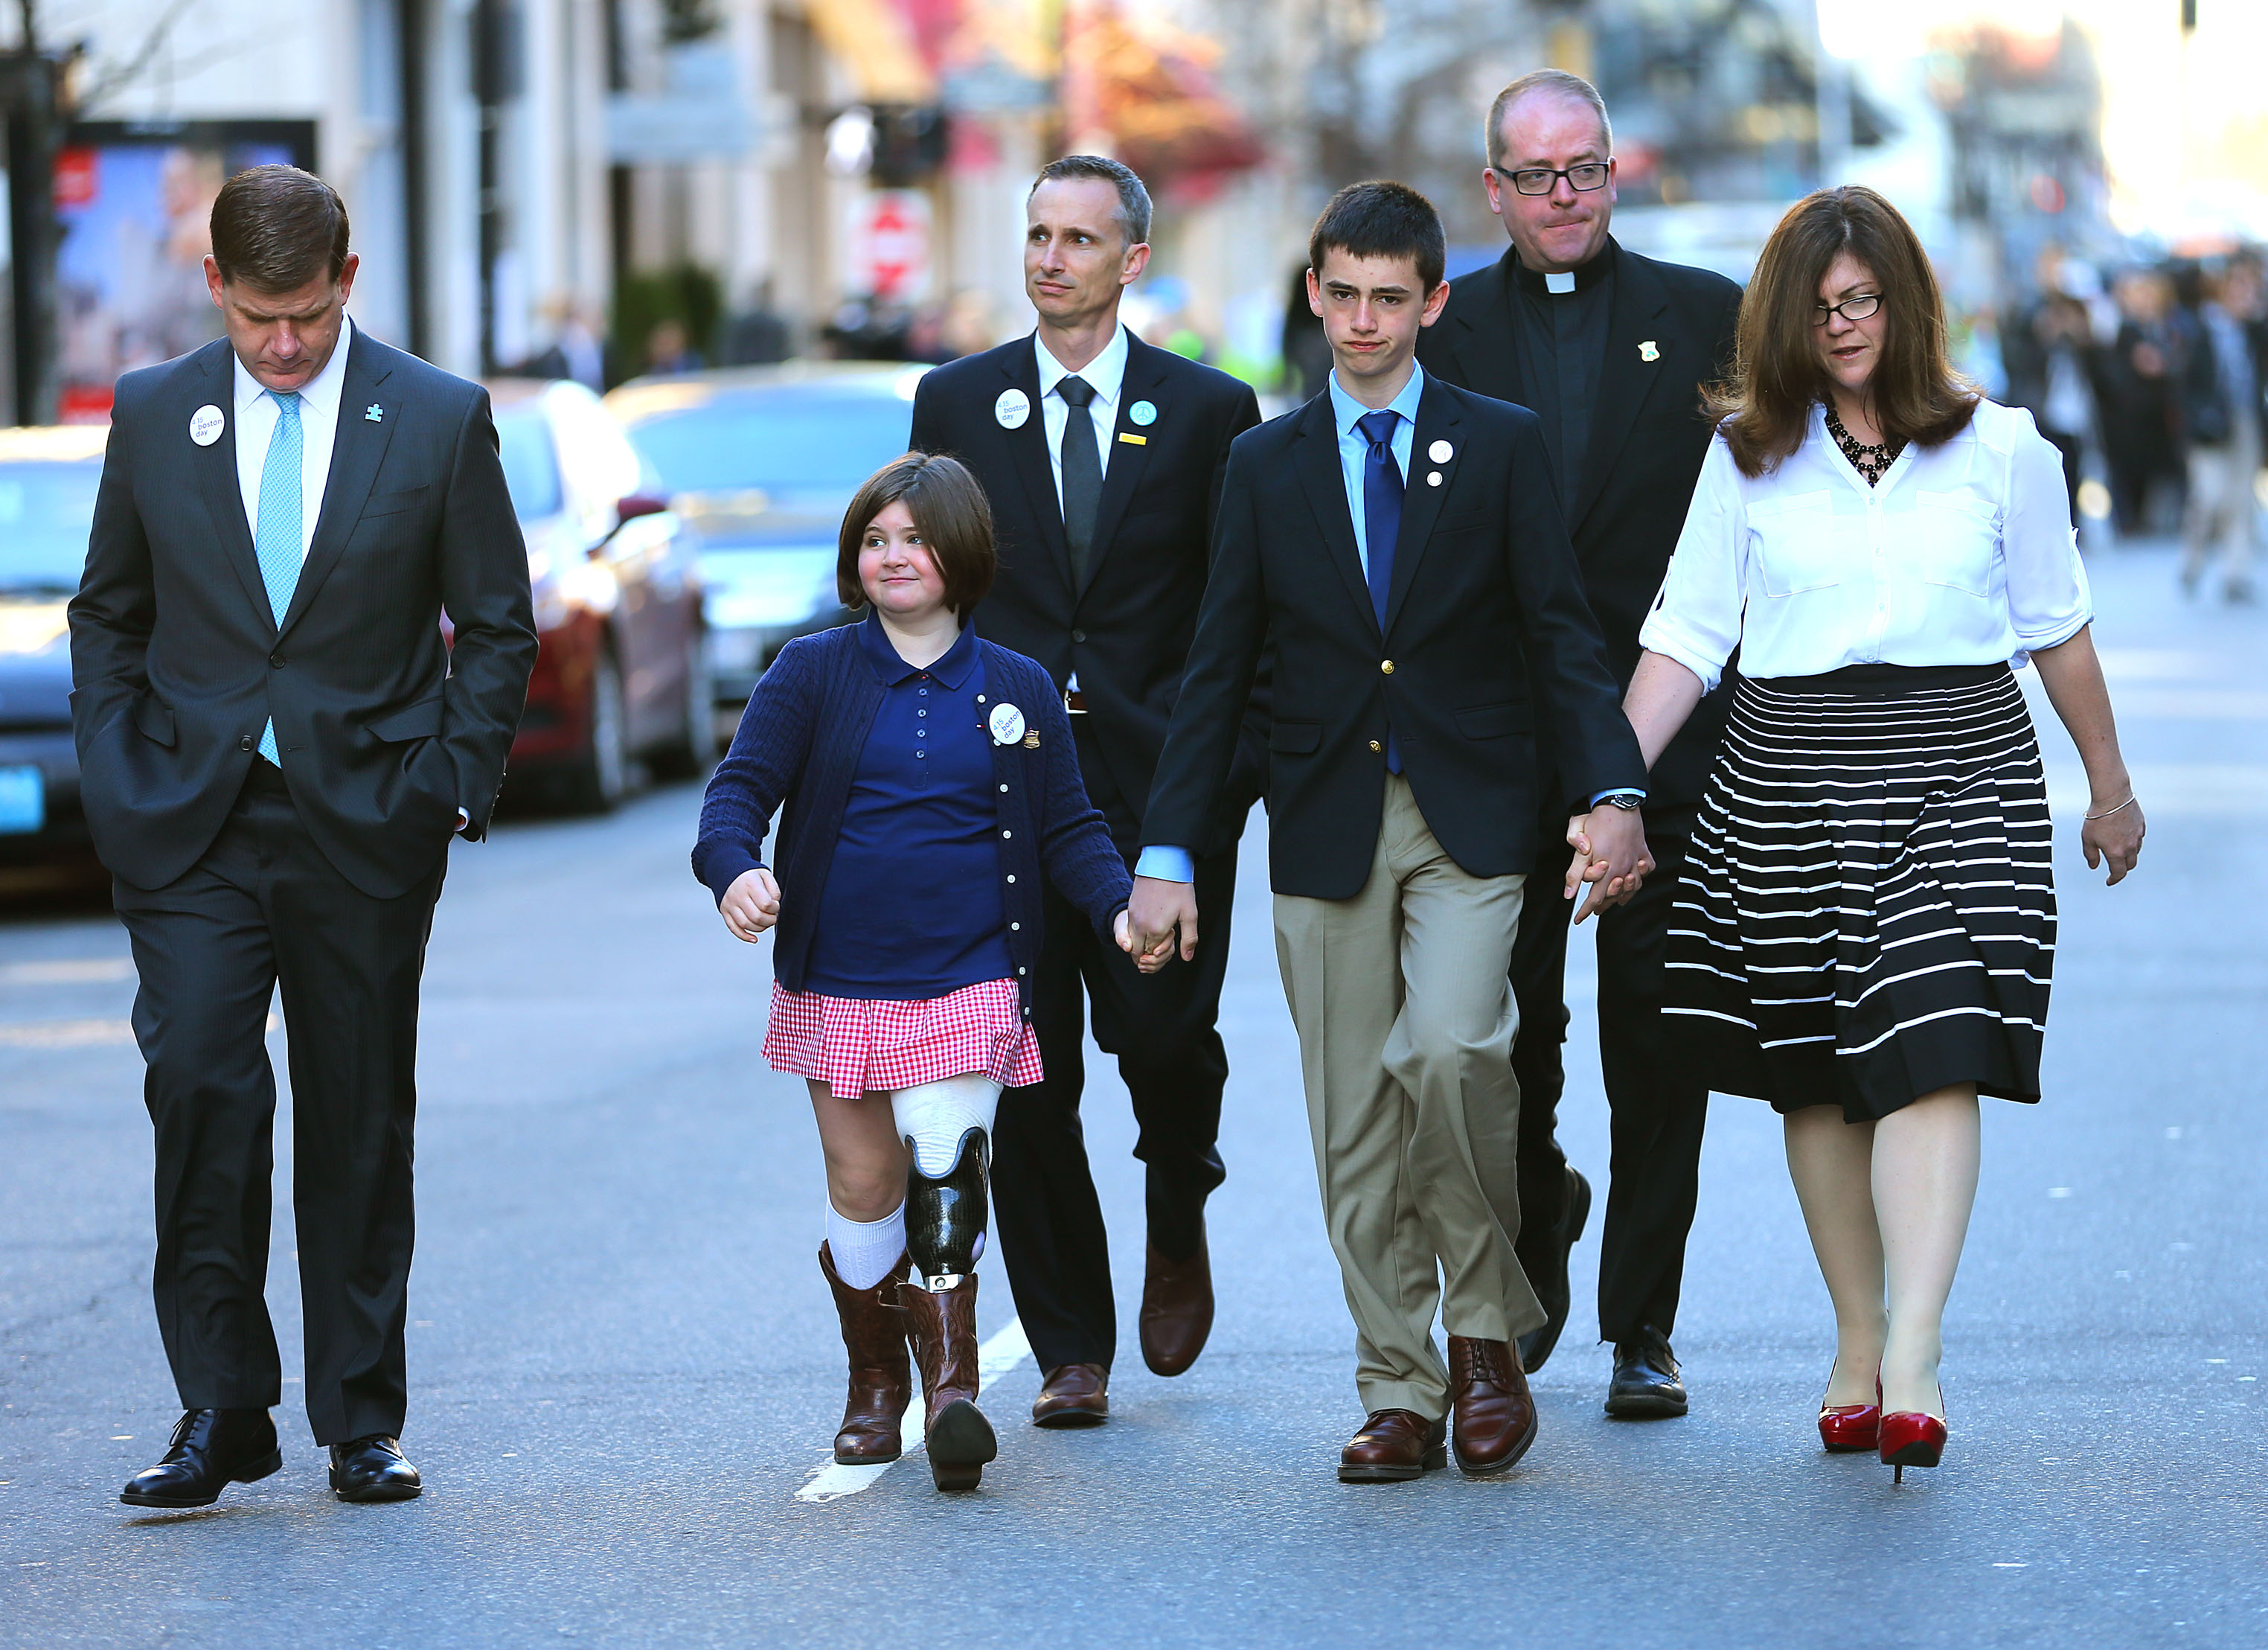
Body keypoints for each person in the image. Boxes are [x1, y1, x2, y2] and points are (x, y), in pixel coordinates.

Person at [1130, 181, 1652, 1483]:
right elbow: (1218, 666)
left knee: (1459, 1048)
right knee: (1350, 1112)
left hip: (1472, 810)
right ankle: (1400, 1386)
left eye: (1388, 299)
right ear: (1313, 293)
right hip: (1322, 816)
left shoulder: (1499, 442)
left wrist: (1611, 789)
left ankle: (1482, 1331)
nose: (1362, 322)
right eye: (1341, 294)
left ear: (1433, 302)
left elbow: (1558, 634)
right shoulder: (1264, 464)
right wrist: (1168, 849)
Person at [1624, 186, 2146, 1483]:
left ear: (1902, 303)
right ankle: (1854, 1335)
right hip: (1784, 773)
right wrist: (1607, 791)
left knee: (1937, 1034)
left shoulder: (2002, 446)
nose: (1842, 326)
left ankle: (1911, 1351)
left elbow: (2054, 624)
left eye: (1859, 300)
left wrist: (2109, 781)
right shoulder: (1744, 453)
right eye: (1816, 310)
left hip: (1959, 761)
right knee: (1814, 1071)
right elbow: (1686, 636)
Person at [71, 165, 538, 1509]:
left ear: (348, 280)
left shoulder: (437, 417)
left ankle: (359, 1416)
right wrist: (114, 764)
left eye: (309, 316)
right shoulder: (156, 411)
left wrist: (450, 778)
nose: (284, 346)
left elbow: (496, 623)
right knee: (202, 1087)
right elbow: (109, 612)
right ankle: (221, 1407)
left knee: (354, 1113)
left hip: (366, 818)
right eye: (259, 316)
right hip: (187, 820)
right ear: (213, 286)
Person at [691, 453, 1143, 1494]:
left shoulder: (1020, 685)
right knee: (864, 1187)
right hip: (839, 974)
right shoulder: (812, 672)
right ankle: (873, 1389)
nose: (893, 557)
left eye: (914, 538)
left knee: (947, 1168)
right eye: (876, 539)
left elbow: (1069, 826)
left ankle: (951, 1392)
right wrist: (736, 873)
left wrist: (1120, 908)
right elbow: (737, 794)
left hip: (974, 971)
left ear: (963, 555)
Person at [907, 156, 1263, 1425]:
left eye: (1078, 238)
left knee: (1162, 1038)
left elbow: (1241, 619)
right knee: (1028, 1070)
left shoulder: (1210, 413)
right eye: (1036, 233)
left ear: (1132, 261)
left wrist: (1215, 794)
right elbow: (925, 599)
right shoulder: (954, 401)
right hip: (996, 799)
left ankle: (1179, 1184)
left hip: (1154, 792)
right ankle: (1071, 1344)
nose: (1049, 257)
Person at [1415, 68, 1742, 1417]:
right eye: (1537, 175)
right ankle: (1538, 1201)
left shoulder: (1708, 319)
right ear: (1491, 189)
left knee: (1657, 1037)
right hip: (1501, 744)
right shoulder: (1441, 330)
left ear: (1617, 171)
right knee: (1506, 1037)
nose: (1565, 196)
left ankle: (1641, 1327)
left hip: (1671, 743)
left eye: (1586, 170)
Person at [2178, 265, 2262, 604]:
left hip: (2246, 421)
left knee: (2241, 498)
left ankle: (2235, 573)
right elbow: (2185, 382)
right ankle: (2194, 559)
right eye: (2239, 290)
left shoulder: (2255, 330)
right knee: (2209, 497)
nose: (2245, 298)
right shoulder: (2202, 329)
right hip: (2209, 428)